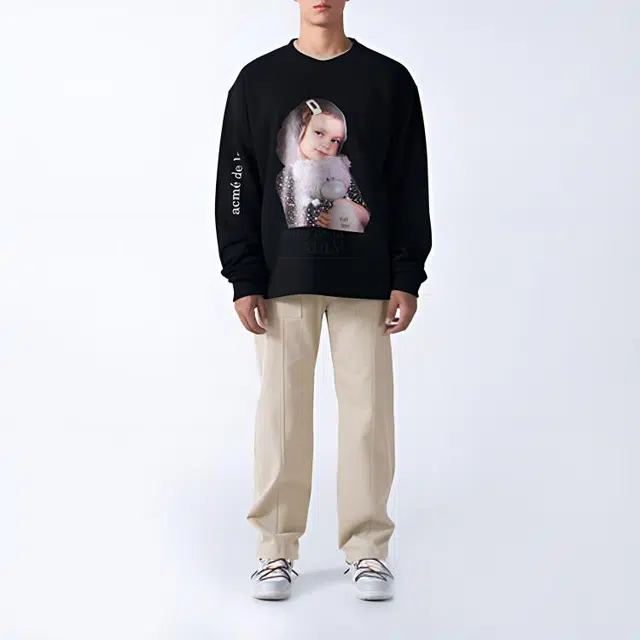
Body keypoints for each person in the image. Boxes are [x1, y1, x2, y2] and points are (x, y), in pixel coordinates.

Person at [214, 0, 432, 602]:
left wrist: (406, 273)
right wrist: (244, 274)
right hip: (281, 279)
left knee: (368, 417)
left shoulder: (388, 80)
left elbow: (408, 181)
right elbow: (237, 179)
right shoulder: (257, 81)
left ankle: (368, 549)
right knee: (282, 416)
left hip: (367, 280)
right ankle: (274, 549)